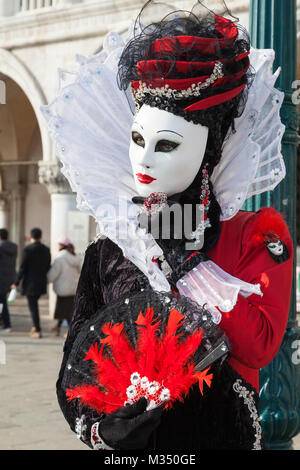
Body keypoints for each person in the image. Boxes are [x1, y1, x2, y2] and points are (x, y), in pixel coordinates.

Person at [43, 0, 293, 450]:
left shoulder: (255, 234)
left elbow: (260, 346)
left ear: (208, 150)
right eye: (138, 139)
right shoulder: (114, 247)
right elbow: (75, 364)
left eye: (166, 144)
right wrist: (103, 429)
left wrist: (191, 267)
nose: (143, 160)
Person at [14, 228, 51, 339]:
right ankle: (35, 328)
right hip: (41, 281)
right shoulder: (46, 249)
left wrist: (16, 282)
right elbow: (48, 265)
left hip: (30, 282)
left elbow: (22, 267)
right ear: (40, 237)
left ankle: (37, 329)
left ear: (30, 237)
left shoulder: (27, 249)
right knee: (34, 305)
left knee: (33, 306)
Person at [47, 237, 81, 337]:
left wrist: (47, 279)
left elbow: (54, 273)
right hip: (73, 288)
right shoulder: (75, 257)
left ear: (62, 245)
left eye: (58, 244)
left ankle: (72, 332)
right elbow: (79, 271)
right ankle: (57, 327)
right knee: (65, 309)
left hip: (62, 289)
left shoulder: (60, 258)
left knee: (66, 312)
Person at [0, 228, 18, 332]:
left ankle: (7, 324)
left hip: (1, 278)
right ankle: (4, 322)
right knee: (2, 301)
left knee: (2, 302)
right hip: (9, 278)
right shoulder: (13, 247)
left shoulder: (1, 247)